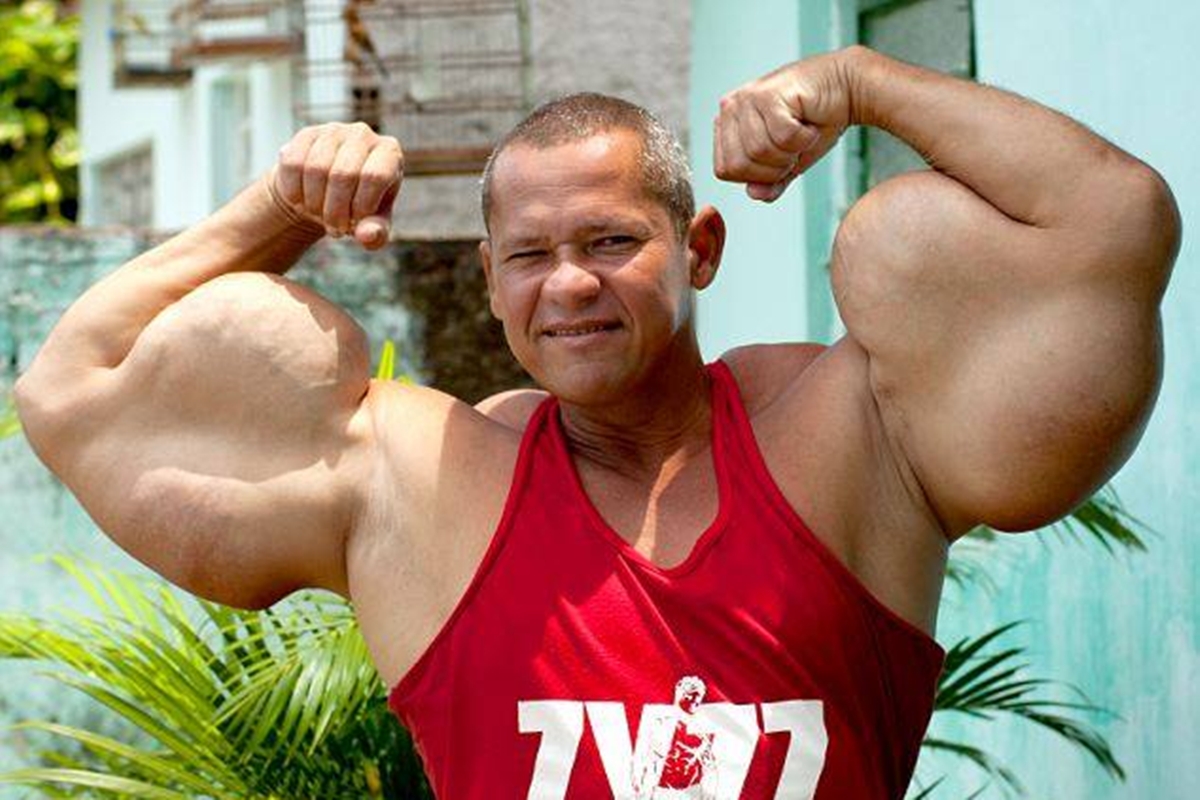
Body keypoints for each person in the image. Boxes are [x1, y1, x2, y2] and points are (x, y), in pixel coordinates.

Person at [13, 45, 1179, 799]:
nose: (569, 283)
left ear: (699, 248)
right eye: (529, 255)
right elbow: (70, 390)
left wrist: (864, 81)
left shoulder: (848, 437)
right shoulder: (416, 484)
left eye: (612, 241)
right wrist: (283, 205)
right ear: (489, 283)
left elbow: (1109, 223)